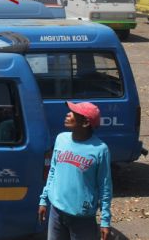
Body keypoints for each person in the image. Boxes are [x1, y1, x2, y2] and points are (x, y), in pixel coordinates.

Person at [38, 101, 113, 240]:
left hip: (82, 218)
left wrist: (105, 221)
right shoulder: (61, 139)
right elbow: (53, 171)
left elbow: (105, 187)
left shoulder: (100, 150)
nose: (68, 114)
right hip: (56, 212)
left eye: (73, 113)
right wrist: (43, 200)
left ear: (85, 123)